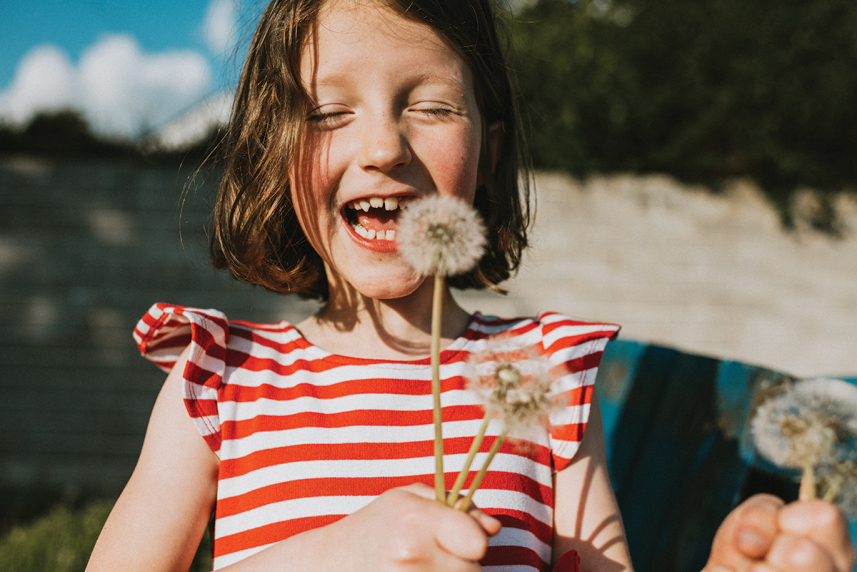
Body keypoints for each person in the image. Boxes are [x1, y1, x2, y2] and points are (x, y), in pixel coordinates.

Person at [86, 0, 857, 571]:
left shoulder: (543, 374)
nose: (383, 145)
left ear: (488, 154)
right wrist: (331, 555)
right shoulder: (221, 378)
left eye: (431, 107)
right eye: (327, 111)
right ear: (273, 150)